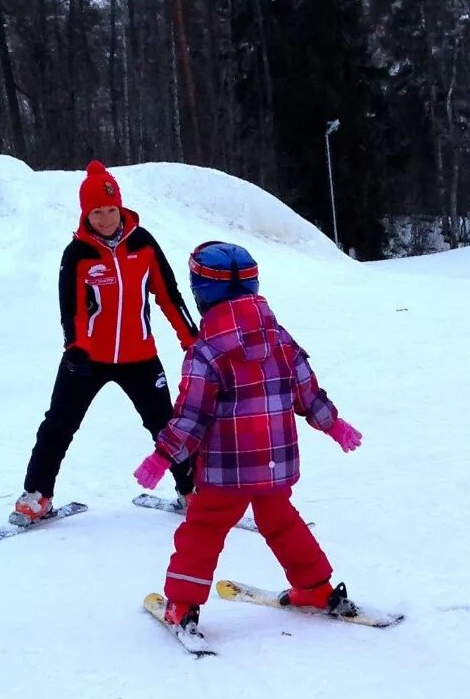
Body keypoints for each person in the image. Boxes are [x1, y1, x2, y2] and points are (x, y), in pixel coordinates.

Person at [132, 241, 365, 632]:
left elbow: (190, 417)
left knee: (203, 529)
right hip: (276, 465)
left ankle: (183, 604)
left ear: (200, 293)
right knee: (282, 522)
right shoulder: (279, 338)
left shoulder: (206, 352)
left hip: (227, 472)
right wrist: (334, 425)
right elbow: (306, 391)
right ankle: (317, 588)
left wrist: (161, 457)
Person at [12, 161, 200, 526]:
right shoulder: (77, 254)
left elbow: (169, 295)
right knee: (58, 425)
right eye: (97, 212)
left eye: (111, 210)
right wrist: (76, 346)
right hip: (88, 358)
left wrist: (191, 339)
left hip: (140, 356)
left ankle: (191, 490)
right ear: (86, 213)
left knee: (167, 424)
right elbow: (72, 310)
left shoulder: (143, 245)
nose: (106, 219)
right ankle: (37, 495)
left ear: (121, 207)